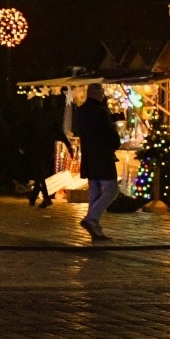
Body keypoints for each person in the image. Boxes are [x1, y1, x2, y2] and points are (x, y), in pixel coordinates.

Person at [71, 84, 122, 241]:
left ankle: (96, 229)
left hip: (89, 156)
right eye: (101, 92)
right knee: (112, 190)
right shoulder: (100, 111)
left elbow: (84, 128)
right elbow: (107, 132)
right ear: (96, 93)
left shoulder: (81, 111)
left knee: (95, 192)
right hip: (102, 156)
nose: (103, 94)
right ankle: (91, 219)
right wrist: (116, 141)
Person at [27, 97, 72, 208]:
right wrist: (68, 145)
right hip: (48, 148)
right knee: (41, 173)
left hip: (36, 147)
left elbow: (25, 132)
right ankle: (34, 196)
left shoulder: (31, 117)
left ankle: (46, 198)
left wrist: (23, 146)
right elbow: (59, 132)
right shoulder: (49, 116)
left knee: (39, 173)